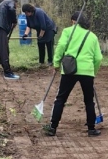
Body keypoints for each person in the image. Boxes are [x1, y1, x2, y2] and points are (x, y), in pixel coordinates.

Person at [43, 10, 103, 138]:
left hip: (69, 69)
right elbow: (98, 58)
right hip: (87, 71)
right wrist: (94, 72)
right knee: (88, 100)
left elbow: (60, 47)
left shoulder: (67, 32)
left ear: (73, 21)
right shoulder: (92, 36)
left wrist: (56, 63)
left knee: (61, 98)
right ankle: (91, 129)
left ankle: (53, 127)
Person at [0, 0, 20, 79]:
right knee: (4, 51)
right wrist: (14, 21)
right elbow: (11, 9)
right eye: (16, 4)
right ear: (15, 2)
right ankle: (7, 73)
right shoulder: (10, 3)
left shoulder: (3, 3)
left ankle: (4, 65)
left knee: (3, 50)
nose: (16, 6)